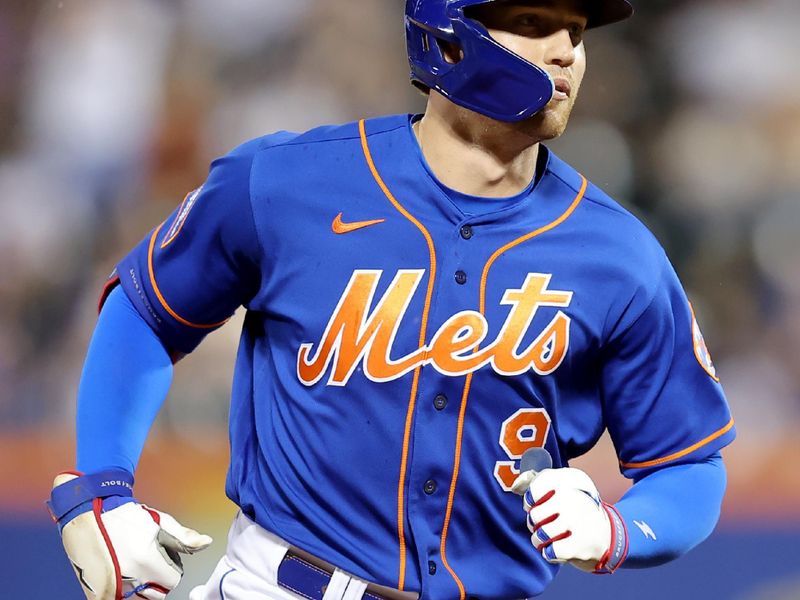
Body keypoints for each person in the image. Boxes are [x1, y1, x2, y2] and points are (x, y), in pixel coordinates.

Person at [48, 1, 736, 599]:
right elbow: (147, 308)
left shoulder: (621, 254)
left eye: (577, 32)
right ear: (449, 32)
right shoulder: (287, 182)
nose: (565, 52)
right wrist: (103, 489)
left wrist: (619, 529)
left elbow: (690, 463)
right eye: (532, 23)